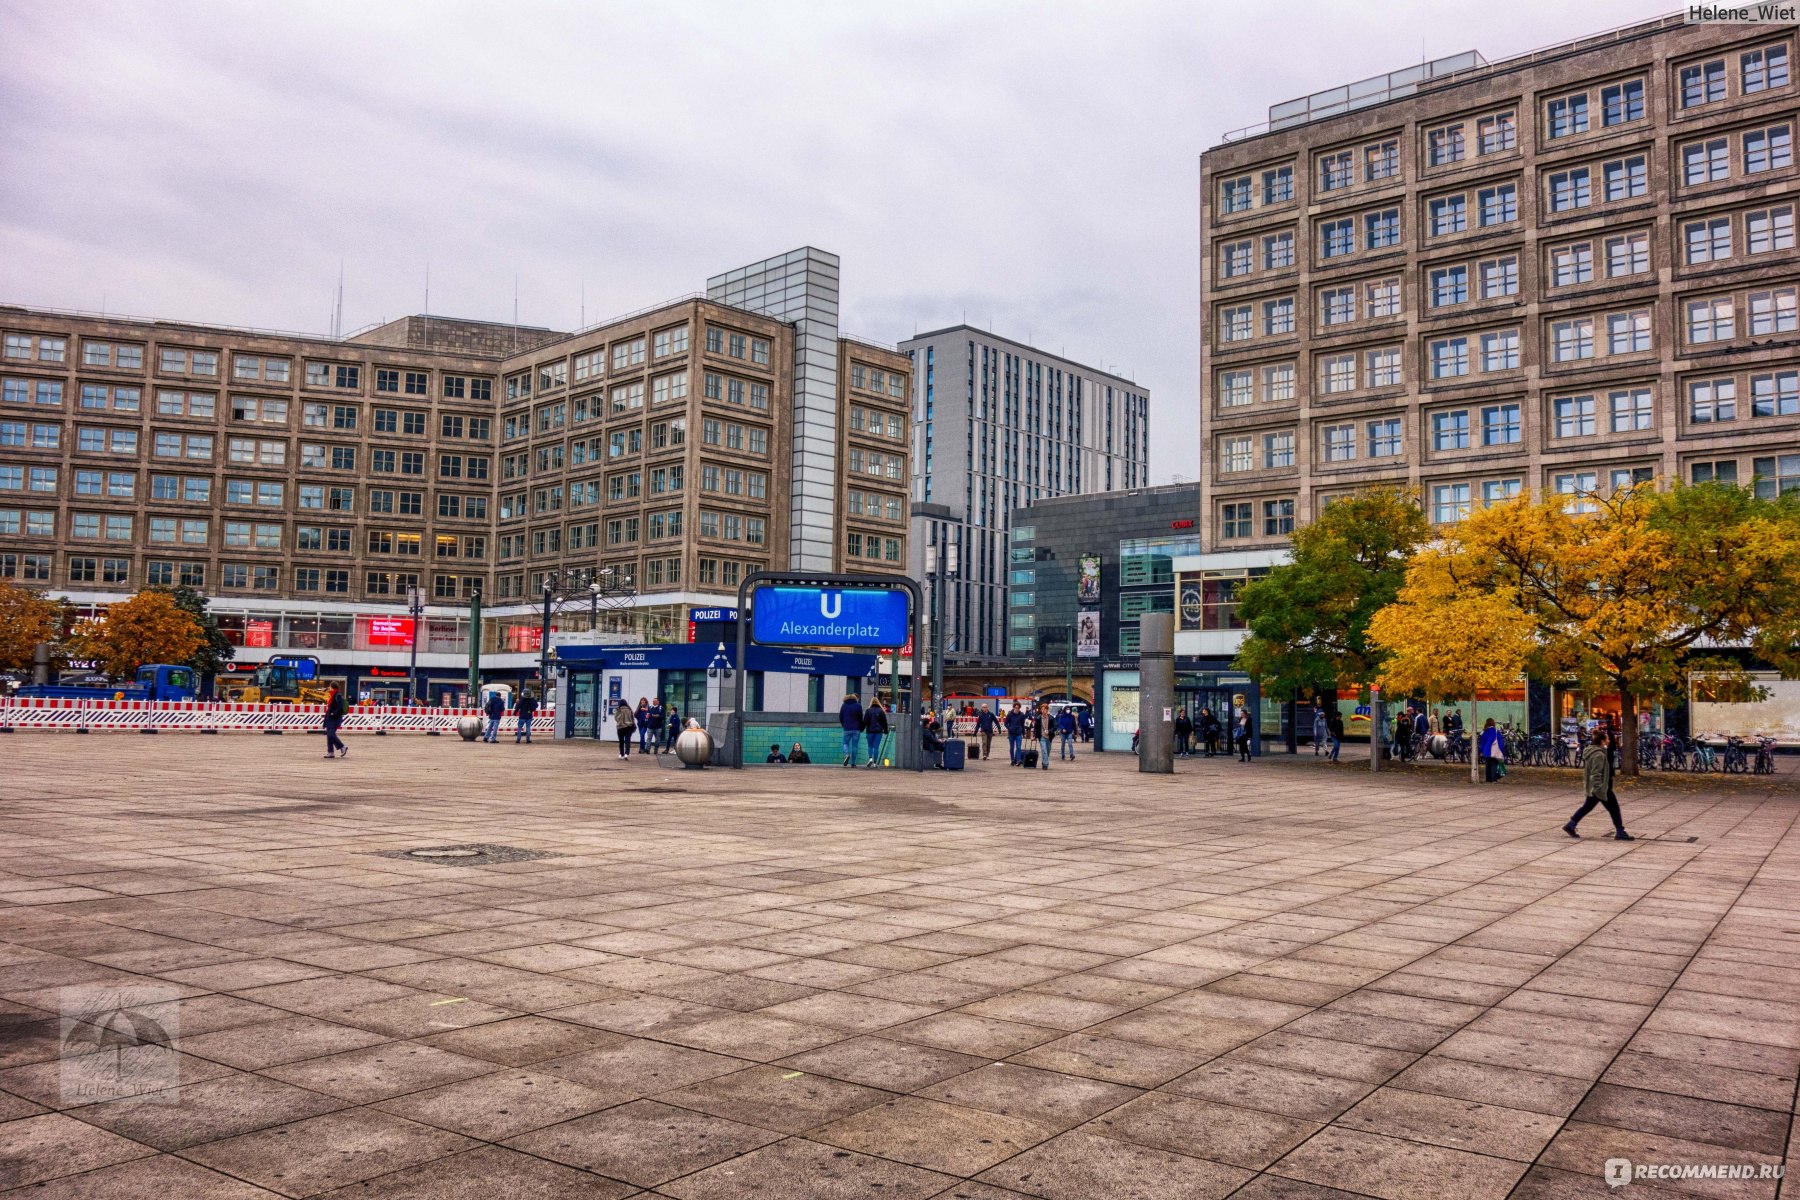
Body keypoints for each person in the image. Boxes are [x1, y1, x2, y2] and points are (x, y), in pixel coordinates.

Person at [1565, 730, 1633, 840]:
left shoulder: (1593, 751)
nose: (1609, 740)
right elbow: (1596, 773)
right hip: (1601, 788)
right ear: (1602, 742)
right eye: (1607, 739)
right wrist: (1598, 789)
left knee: (1587, 807)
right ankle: (1620, 832)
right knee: (1614, 809)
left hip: (1596, 787)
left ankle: (1571, 824)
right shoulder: (1599, 755)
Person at [838, 693, 865, 767]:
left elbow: (840, 716)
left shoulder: (844, 705)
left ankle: (847, 754)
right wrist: (861, 727)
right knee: (855, 746)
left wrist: (844, 725)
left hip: (847, 728)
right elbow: (861, 717)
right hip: (856, 729)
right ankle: (853, 763)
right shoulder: (858, 705)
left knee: (845, 743)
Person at [322, 684, 348, 759]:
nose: (329, 688)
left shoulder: (338, 695)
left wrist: (334, 713)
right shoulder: (332, 695)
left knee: (331, 734)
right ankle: (330, 752)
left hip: (335, 718)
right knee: (329, 735)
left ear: (333, 687)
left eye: (330, 687)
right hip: (330, 718)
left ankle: (342, 747)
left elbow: (340, 707)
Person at [864, 697, 889, 768]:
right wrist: (886, 730)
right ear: (878, 703)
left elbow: (865, 721)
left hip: (870, 731)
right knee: (876, 747)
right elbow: (884, 722)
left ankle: (870, 758)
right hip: (878, 731)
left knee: (870, 746)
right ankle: (875, 763)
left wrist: (862, 728)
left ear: (871, 702)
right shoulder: (881, 711)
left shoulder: (868, 711)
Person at [1479, 717, 1504, 783]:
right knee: (1494, 764)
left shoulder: (1485, 732)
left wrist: (1481, 750)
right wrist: (1501, 750)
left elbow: (1482, 742)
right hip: (1494, 750)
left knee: (1487, 764)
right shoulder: (1496, 731)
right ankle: (1493, 779)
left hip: (1487, 750)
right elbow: (1500, 742)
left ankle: (1488, 779)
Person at [1003, 701, 1026, 766]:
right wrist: (1009, 728)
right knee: (1012, 747)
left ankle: (1018, 760)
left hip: (1019, 733)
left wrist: (1023, 733)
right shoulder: (1010, 714)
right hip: (1011, 733)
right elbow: (1005, 723)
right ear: (1013, 708)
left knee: (1018, 747)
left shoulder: (1022, 715)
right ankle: (1012, 760)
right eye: (1016, 708)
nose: (1017, 709)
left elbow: (1022, 724)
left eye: (1018, 708)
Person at [1030, 704, 1051, 770]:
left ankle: (1044, 761)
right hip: (1041, 736)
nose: (1043, 711)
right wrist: (1035, 736)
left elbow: (1055, 726)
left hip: (1049, 737)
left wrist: (1050, 731)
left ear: (1047, 710)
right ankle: (1045, 764)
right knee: (1044, 750)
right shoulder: (1038, 718)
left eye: (1044, 709)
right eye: (1042, 709)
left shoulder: (1051, 718)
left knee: (1048, 750)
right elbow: (1036, 728)